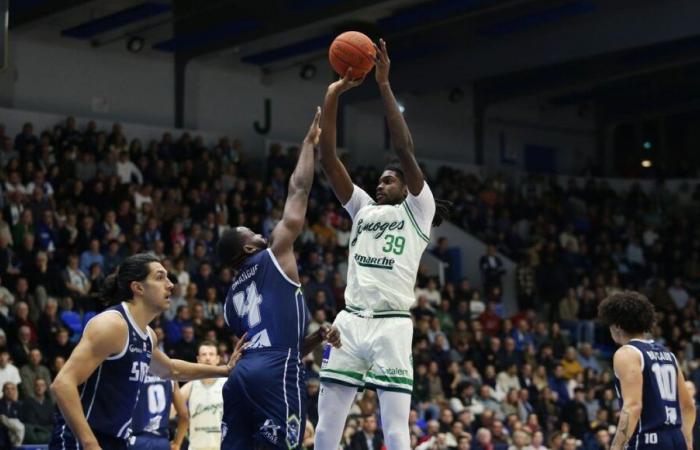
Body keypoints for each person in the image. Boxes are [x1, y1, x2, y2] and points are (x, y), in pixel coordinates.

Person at [314, 39, 448, 450]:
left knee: (395, 430)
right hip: (350, 321)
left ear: (407, 186)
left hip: (391, 324)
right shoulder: (362, 209)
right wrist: (332, 94)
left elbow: (403, 147)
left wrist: (384, 85)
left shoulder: (417, 210)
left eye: (388, 179)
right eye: (379, 180)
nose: (379, 182)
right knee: (325, 427)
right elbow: (327, 157)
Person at [217, 108, 341, 449]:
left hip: (241, 377)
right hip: (276, 374)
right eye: (252, 233)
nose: (260, 233)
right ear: (246, 247)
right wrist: (308, 144)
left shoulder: (229, 300)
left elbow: (271, 342)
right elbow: (298, 189)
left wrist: (316, 338)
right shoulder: (274, 254)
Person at [49, 253, 246, 450]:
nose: (170, 285)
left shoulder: (148, 335)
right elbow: (62, 384)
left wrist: (225, 370)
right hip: (80, 438)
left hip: (116, 439)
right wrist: (90, 444)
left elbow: (170, 369)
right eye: (160, 277)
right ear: (138, 287)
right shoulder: (112, 324)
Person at [598, 290, 696, 449]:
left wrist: (616, 447)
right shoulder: (667, 354)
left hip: (648, 440)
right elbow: (687, 406)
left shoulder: (627, 353)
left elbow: (633, 406)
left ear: (617, 326)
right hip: (676, 438)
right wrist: (688, 442)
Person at [128, 370, 188, 450]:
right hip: (161, 442)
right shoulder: (169, 375)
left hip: (136, 441)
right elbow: (184, 416)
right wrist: (177, 443)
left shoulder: (132, 372)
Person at [180, 341, 223, 450]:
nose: (208, 358)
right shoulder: (190, 386)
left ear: (218, 359)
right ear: (198, 360)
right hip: (196, 447)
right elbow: (169, 412)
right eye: (204, 355)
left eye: (211, 354)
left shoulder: (227, 385)